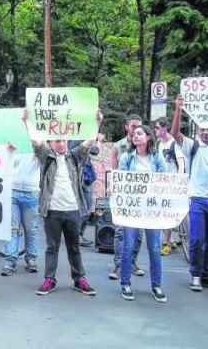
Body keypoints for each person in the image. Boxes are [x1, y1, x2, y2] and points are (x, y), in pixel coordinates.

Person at [26, 110, 102, 296]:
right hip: (52, 211)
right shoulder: (46, 157)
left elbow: (88, 142)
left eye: (64, 140)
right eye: (57, 141)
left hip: (73, 210)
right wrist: (27, 122)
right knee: (52, 247)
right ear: (50, 143)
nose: (61, 144)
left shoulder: (74, 156)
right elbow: (36, 142)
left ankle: (79, 279)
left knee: (74, 247)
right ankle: (49, 279)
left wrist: (97, 123)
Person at [118, 125, 167, 303]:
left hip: (152, 210)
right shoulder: (126, 157)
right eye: (134, 134)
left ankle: (156, 285)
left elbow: (165, 180)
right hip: (132, 209)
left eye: (140, 134)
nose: (135, 136)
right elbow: (120, 181)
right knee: (128, 246)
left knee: (154, 248)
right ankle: (125, 283)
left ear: (148, 137)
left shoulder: (157, 157)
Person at [171, 94, 208, 291]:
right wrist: (178, 109)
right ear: (199, 130)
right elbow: (175, 133)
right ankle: (195, 274)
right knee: (197, 239)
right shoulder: (193, 146)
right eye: (203, 129)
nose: (206, 132)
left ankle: (205, 273)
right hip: (198, 199)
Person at [109, 114, 145, 280]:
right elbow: (114, 171)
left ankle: (132, 262)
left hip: (140, 195)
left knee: (138, 232)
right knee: (120, 232)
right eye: (133, 126)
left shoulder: (146, 146)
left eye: (139, 126)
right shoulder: (118, 146)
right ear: (126, 127)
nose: (135, 129)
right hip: (123, 195)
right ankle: (118, 265)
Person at [0, 132, 41, 276]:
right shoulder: (15, 145)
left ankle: (31, 258)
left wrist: (36, 141)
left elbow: (43, 154)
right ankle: (10, 260)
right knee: (12, 228)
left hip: (31, 192)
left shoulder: (39, 146)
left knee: (31, 229)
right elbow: (5, 165)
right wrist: (8, 151)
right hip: (13, 190)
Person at [154, 116, 186, 255]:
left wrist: (178, 181)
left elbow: (181, 163)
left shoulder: (174, 143)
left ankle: (166, 243)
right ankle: (170, 238)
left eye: (157, 127)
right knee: (161, 213)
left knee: (167, 213)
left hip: (172, 184)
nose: (155, 130)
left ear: (164, 128)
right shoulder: (158, 143)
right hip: (160, 184)